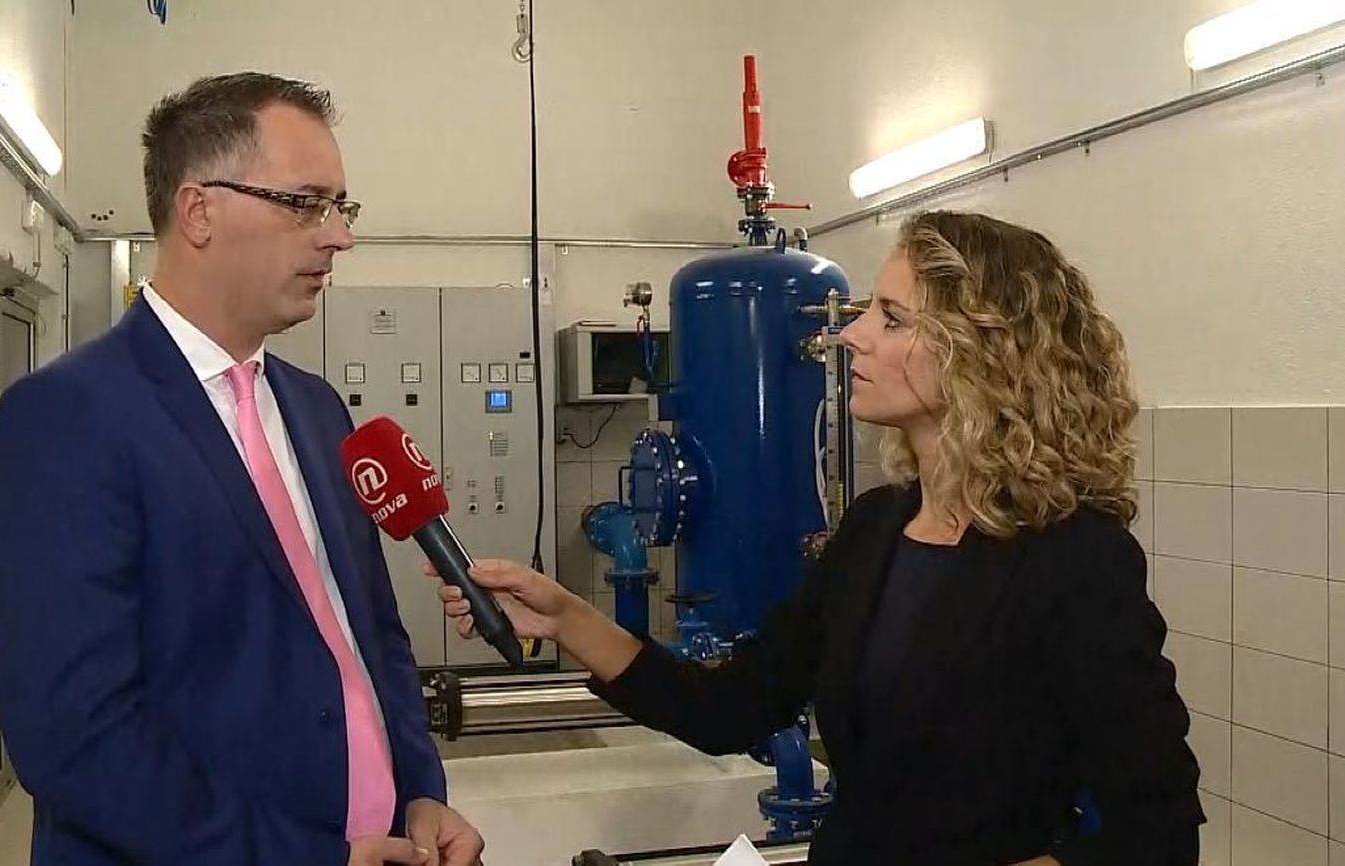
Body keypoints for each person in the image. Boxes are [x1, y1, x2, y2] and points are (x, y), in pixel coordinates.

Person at [434, 211, 1203, 865]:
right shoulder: (875, 529)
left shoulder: (1076, 559)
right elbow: (730, 707)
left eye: (891, 319)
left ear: (982, 355)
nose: (849, 336)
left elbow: (1157, 830)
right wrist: (565, 616)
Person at [0, 72, 483, 866]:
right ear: (198, 211)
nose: (338, 237)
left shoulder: (317, 410)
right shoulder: (65, 419)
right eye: (304, 203)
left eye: (341, 207)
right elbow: (76, 739)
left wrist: (420, 790)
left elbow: (371, 635)